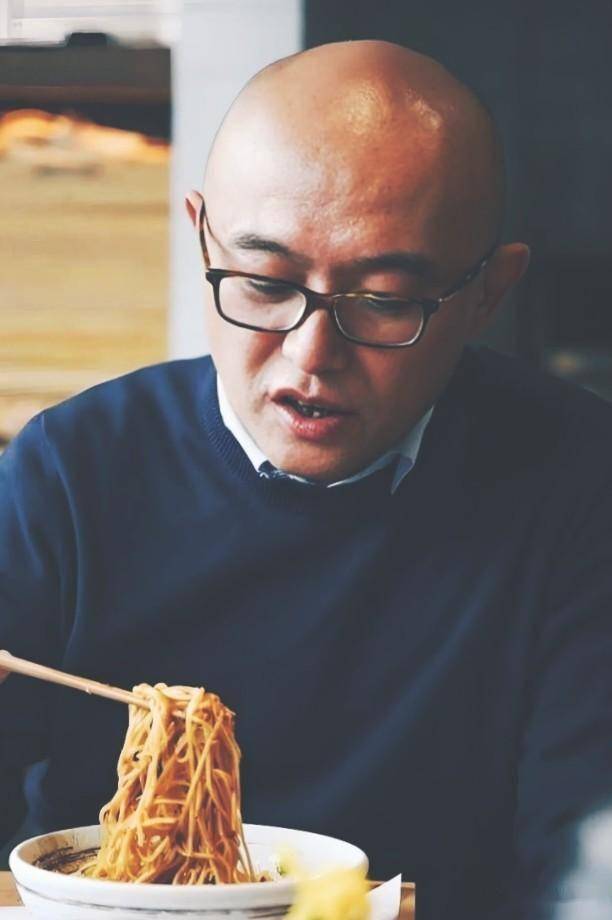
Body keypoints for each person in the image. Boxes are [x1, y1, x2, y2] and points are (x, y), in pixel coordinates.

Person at [1, 39, 612, 920]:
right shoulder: (72, 469)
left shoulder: (580, 482)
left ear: (488, 292)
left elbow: (587, 870)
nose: (310, 354)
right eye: (263, 281)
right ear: (201, 235)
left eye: (383, 300)